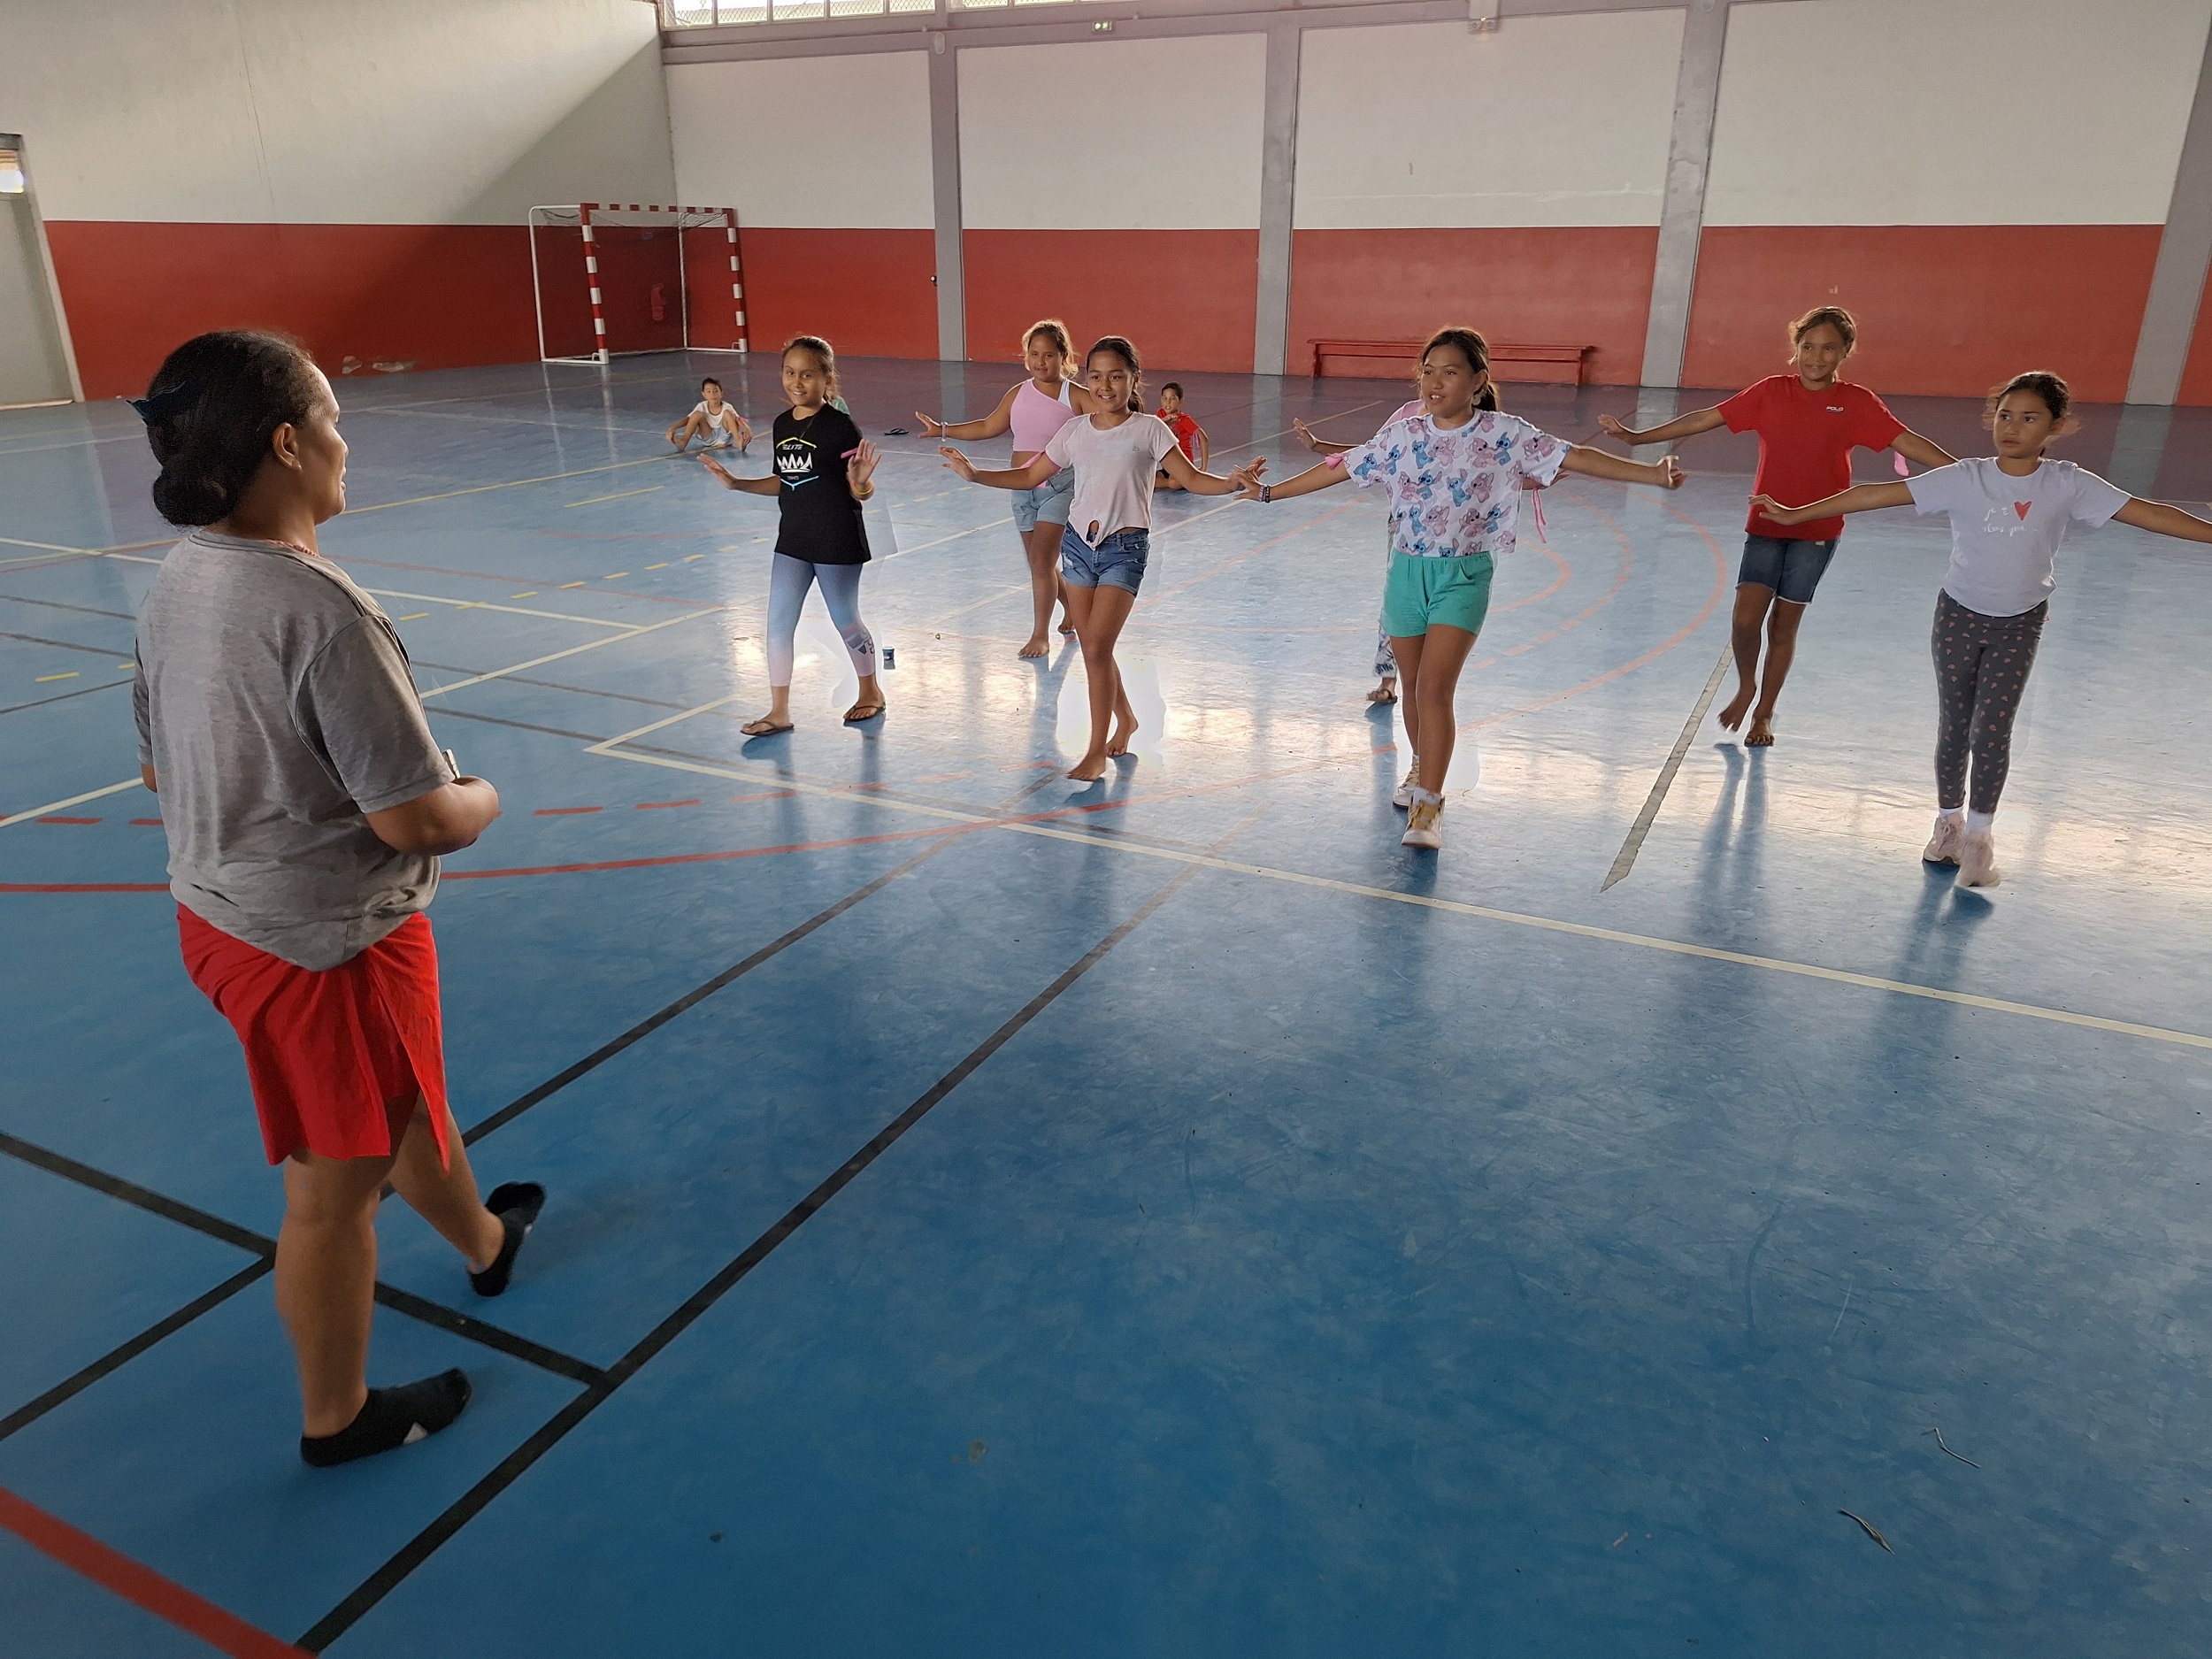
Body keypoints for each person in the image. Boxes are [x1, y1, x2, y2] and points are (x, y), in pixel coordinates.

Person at [129, 331, 541, 1467]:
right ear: (286, 442)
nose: (344, 440)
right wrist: (484, 795)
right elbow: (413, 816)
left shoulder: (179, 580)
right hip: (320, 948)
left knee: (399, 1103)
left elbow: (163, 767)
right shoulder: (321, 612)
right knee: (331, 1195)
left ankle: (485, 1244)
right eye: (332, 419)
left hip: (217, 918)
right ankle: (339, 1415)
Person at [1751, 371, 2212, 888]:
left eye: (2029, 418)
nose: (2012, 427)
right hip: (1958, 615)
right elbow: (1875, 495)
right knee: (1955, 724)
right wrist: (1796, 515)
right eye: (2005, 415)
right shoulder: (1965, 477)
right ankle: (1948, 821)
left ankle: (1979, 835)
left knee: (1991, 731)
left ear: (2056, 427)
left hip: (2021, 621)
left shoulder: (2067, 483)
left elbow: (2149, 513)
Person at [1245, 326, 1684, 852]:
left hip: (1465, 574)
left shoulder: (1504, 434)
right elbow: (1341, 467)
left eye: (1449, 371)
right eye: (1427, 370)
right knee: (1410, 686)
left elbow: (1576, 458)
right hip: (1406, 573)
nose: (1434, 381)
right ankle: (1419, 769)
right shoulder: (1403, 434)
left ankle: (1430, 804)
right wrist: (1269, 493)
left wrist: (1652, 476)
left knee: (1434, 688)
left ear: (1477, 381)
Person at [1599, 305, 1955, 746]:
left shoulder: (1858, 403)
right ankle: (1746, 684)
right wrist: (1638, 438)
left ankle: (1764, 713)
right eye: (1808, 347)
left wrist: (1969, 474)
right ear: (1796, 348)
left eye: (1828, 348)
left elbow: (1908, 442)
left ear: (1846, 351)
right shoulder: (1770, 393)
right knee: (1745, 620)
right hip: (1766, 523)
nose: (1816, 357)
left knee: (1783, 626)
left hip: (1818, 532)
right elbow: (1706, 418)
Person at [941, 334, 1258, 781]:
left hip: (1123, 552)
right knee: (1095, 648)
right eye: (1096, 377)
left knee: (1093, 647)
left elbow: (1189, 478)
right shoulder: (1074, 431)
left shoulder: (1150, 430)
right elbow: (1031, 474)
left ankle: (1094, 750)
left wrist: (1231, 484)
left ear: (1133, 380)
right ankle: (1126, 718)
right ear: (1086, 380)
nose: (1106, 386)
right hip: (1077, 548)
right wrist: (975, 475)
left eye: (1116, 376)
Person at [700, 335, 886, 734]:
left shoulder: (841, 428)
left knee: (845, 619)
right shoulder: (783, 424)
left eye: (807, 374)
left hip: (837, 537)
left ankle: (871, 691)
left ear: (827, 379)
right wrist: (736, 484)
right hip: (794, 539)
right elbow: (786, 482)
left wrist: (861, 484)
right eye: (789, 373)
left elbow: (861, 492)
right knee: (778, 622)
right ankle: (779, 711)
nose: (797, 382)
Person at [915, 320, 1102, 657]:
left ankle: (1040, 635)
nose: (1040, 362)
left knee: (1043, 561)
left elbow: (1107, 423)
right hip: (1020, 487)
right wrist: (944, 429)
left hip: (1061, 487)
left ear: (1064, 357)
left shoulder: (1074, 396)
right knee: (1038, 563)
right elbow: (989, 426)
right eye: (1033, 354)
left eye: (1048, 355)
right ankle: (1071, 606)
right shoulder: (1018, 394)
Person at [1295, 392, 1432, 705]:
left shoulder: (1471, 420)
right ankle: (1390, 679)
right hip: (1404, 528)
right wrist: (1319, 447)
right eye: (1427, 372)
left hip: (1453, 540)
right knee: (1398, 602)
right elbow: (1369, 453)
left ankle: (1424, 681)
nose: (1433, 383)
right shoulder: (1407, 415)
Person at [666, 376, 752, 453]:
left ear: (721, 393)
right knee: (696, 415)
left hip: (725, 437)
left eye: (715, 391)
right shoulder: (702, 406)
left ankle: (738, 441)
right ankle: (684, 441)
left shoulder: (727, 406)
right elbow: (688, 419)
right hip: (708, 436)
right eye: (708, 391)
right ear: (704, 394)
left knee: (728, 413)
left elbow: (738, 419)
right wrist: (673, 428)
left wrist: (747, 429)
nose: (712, 394)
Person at [1153, 382, 1210, 489]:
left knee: (1175, 482)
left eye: (1172, 399)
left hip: (1184, 464)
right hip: (1169, 463)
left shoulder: (1185, 420)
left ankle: (1178, 481)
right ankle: (1170, 482)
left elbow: (1204, 439)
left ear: (1180, 401)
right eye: (1164, 398)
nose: (1168, 402)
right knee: (1149, 478)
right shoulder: (1160, 414)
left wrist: (1203, 468)